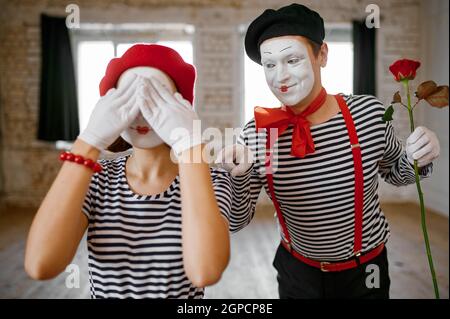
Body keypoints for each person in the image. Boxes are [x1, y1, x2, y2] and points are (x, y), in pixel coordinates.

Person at [216, 3, 440, 298]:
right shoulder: (257, 133)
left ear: (322, 55)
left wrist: (418, 158)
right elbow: (235, 221)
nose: (280, 76)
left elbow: (396, 173)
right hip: (296, 270)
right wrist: (236, 174)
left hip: (366, 270)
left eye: (292, 60)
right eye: (270, 65)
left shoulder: (368, 114)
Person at [24, 44, 235, 299]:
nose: (141, 113)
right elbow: (41, 264)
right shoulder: (96, 179)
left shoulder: (213, 181)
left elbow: (205, 272)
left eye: (157, 96)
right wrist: (89, 140)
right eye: (128, 96)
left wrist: (189, 144)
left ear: (181, 105)